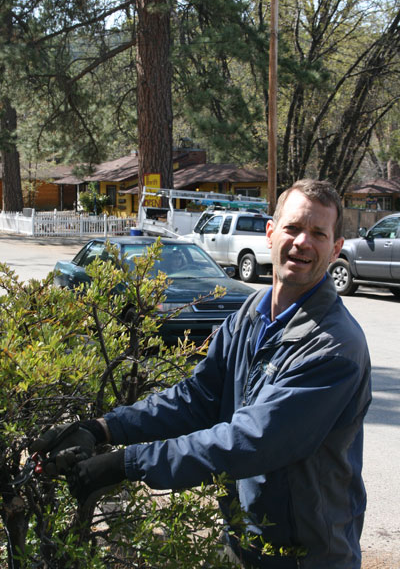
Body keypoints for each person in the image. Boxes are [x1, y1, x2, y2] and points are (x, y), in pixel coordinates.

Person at [31, 179, 372, 568]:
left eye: (318, 233)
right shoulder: (250, 316)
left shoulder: (334, 346)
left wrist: (128, 464)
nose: (302, 242)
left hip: (307, 556)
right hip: (245, 541)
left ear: (335, 248)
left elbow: (252, 441)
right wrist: (103, 428)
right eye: (293, 228)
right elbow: (197, 399)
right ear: (270, 232)